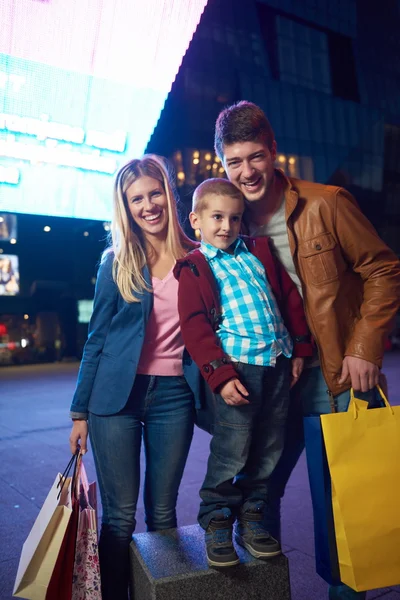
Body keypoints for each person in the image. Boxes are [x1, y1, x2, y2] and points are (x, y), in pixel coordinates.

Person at [214, 101, 400, 598]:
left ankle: (346, 591)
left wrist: (365, 347)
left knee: (342, 494)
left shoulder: (326, 203)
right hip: (270, 375)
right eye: (235, 161)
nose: (246, 171)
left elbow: (383, 269)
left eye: (255, 157)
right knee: (258, 493)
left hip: (331, 369)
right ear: (223, 165)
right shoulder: (229, 224)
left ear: (274, 153)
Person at [69, 155, 200, 600]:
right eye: (136, 199)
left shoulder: (198, 259)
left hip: (174, 397)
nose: (148, 205)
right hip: (114, 401)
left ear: (168, 193)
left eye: (154, 193)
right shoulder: (117, 262)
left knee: (163, 513)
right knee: (120, 518)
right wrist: (79, 413)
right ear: (126, 207)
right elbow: (96, 340)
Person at [174, 178, 312, 568]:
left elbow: (289, 299)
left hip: (278, 362)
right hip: (238, 369)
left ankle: (252, 519)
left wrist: (299, 347)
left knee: (270, 445)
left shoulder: (258, 252)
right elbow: (195, 327)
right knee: (232, 449)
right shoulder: (194, 267)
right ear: (196, 220)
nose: (226, 226)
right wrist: (220, 375)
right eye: (216, 217)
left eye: (234, 218)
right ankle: (217, 519)